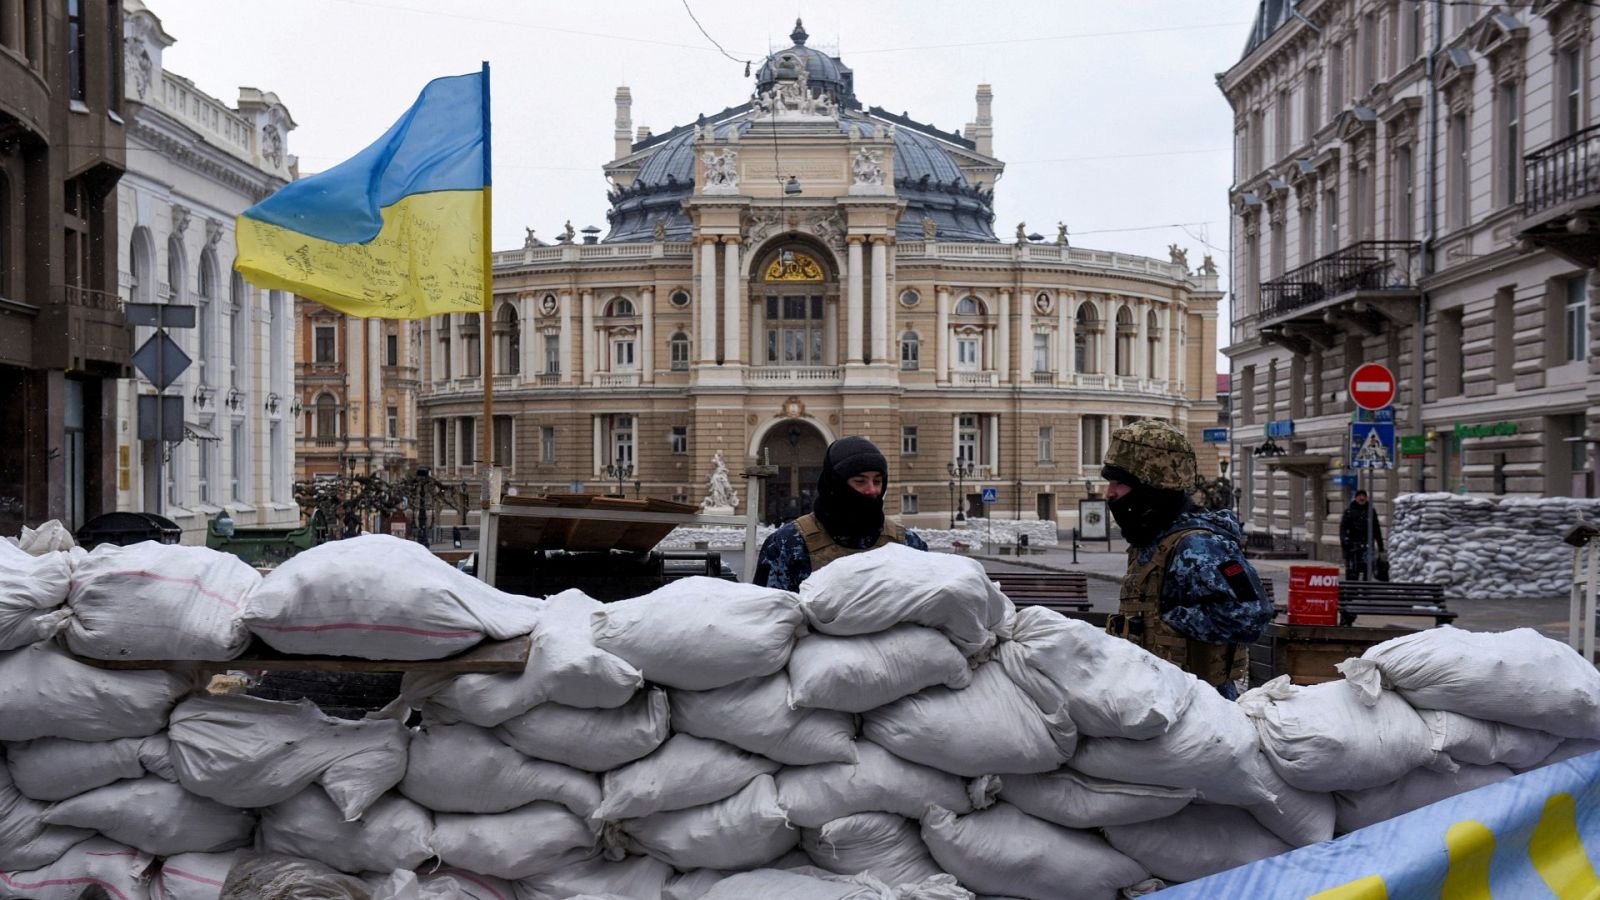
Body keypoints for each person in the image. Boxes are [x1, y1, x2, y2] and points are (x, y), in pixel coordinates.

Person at [1101, 420, 1274, 700]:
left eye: (1119, 483)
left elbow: (1251, 614)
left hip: (1201, 707)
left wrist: (1170, 622)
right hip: (1160, 699)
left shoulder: (1199, 545)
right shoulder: (1152, 543)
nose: (1110, 493)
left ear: (1151, 487)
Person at [753, 436, 928, 591]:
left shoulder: (907, 544)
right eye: (860, 481)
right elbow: (767, 619)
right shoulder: (786, 545)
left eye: (878, 481)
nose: (872, 490)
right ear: (835, 485)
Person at [1340, 490, 1384, 581]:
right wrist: (1345, 541)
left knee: (1368, 571)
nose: (1362, 498)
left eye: (1363, 496)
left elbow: (1376, 529)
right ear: (1356, 498)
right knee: (1352, 572)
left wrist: (1381, 547)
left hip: (1368, 547)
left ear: (1366, 498)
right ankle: (1353, 592)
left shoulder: (1371, 511)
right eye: (1359, 496)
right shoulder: (1349, 512)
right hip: (1353, 547)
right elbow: (1343, 529)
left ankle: (1365, 592)